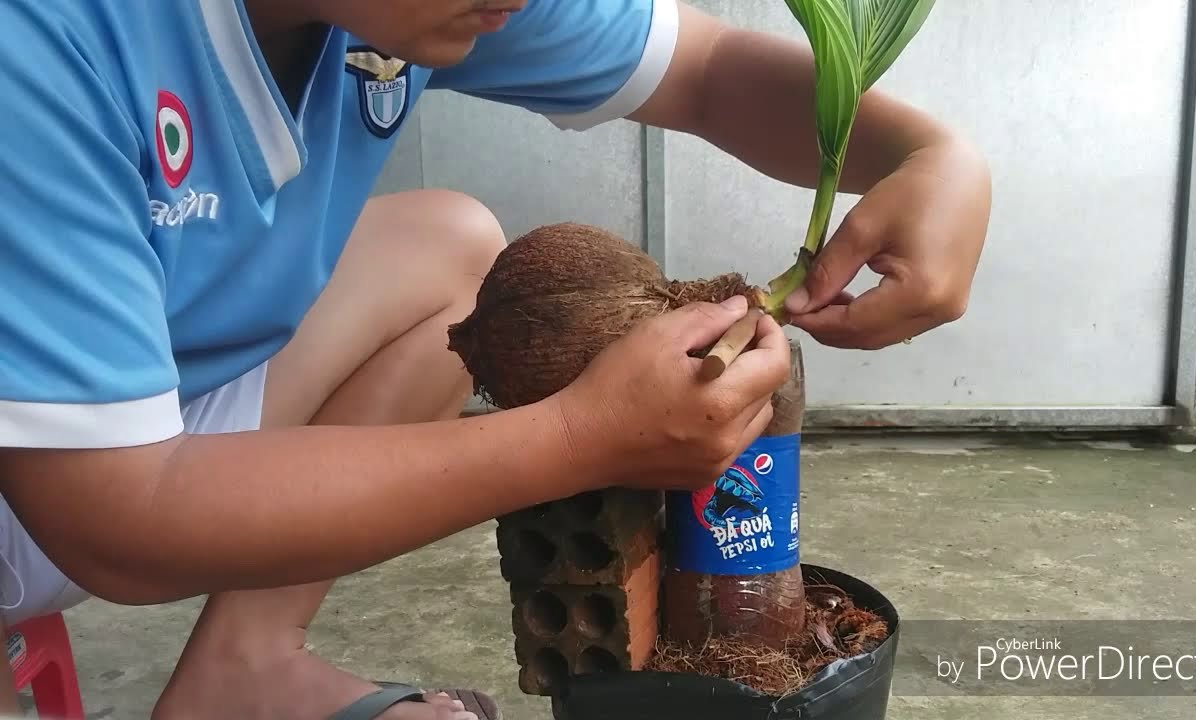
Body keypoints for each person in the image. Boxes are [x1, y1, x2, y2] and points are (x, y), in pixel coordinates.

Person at [0, 0, 991, 718]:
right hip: (58, 494)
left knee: (448, 254)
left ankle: (243, 672)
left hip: (120, 420)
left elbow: (706, 69)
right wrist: (578, 437)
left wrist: (931, 154)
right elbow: (115, 523)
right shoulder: (42, 45)